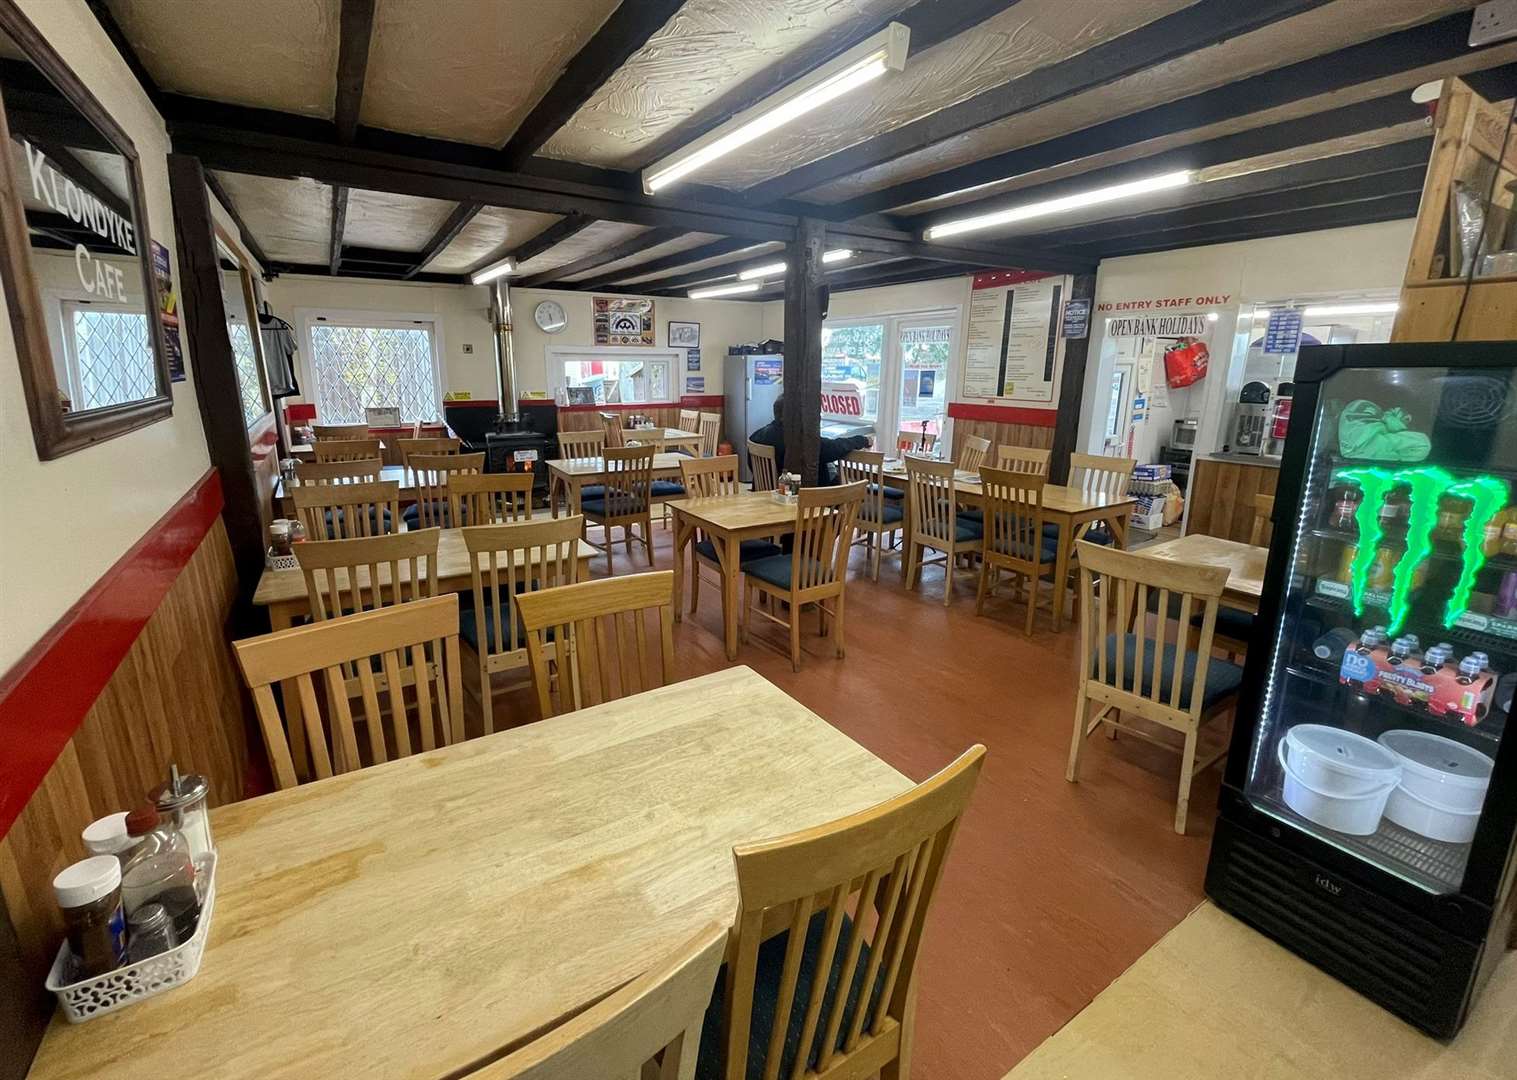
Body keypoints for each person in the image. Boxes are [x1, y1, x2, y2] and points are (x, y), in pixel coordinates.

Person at [749, 394, 870, 486]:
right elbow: (833, 448)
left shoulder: (757, 436)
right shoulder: (799, 440)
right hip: (802, 497)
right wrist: (862, 440)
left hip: (768, 493)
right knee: (844, 485)